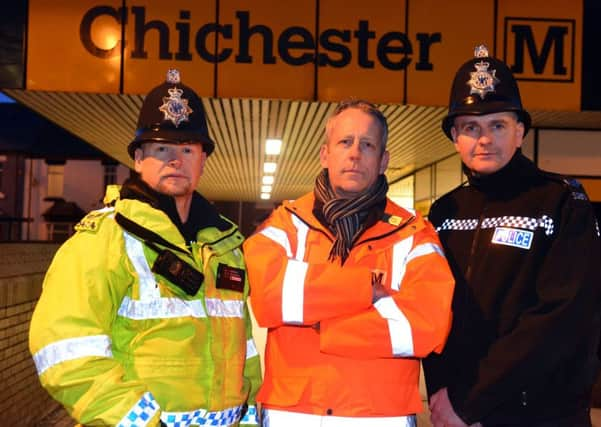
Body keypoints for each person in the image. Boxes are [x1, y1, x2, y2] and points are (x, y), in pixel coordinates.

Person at [29, 69, 261, 427]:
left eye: (187, 149)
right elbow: (64, 351)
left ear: (203, 160)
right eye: (161, 148)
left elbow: (244, 352)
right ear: (138, 159)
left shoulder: (226, 245)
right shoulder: (103, 239)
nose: (175, 159)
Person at [243, 99, 455, 427]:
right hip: (293, 413)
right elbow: (269, 297)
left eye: (367, 144)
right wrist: (365, 288)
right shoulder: (287, 222)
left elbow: (427, 325)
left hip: (380, 416)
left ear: (383, 160)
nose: (355, 153)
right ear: (325, 154)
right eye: (345, 142)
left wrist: (321, 322)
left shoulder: (414, 233)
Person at [423, 45, 601, 427]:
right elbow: (431, 307)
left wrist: (469, 401)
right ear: (455, 137)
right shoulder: (444, 212)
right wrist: (442, 395)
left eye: (497, 125)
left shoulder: (562, 204)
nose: (484, 139)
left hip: (541, 416)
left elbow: (559, 320)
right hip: (457, 414)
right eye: (471, 127)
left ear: (519, 132)